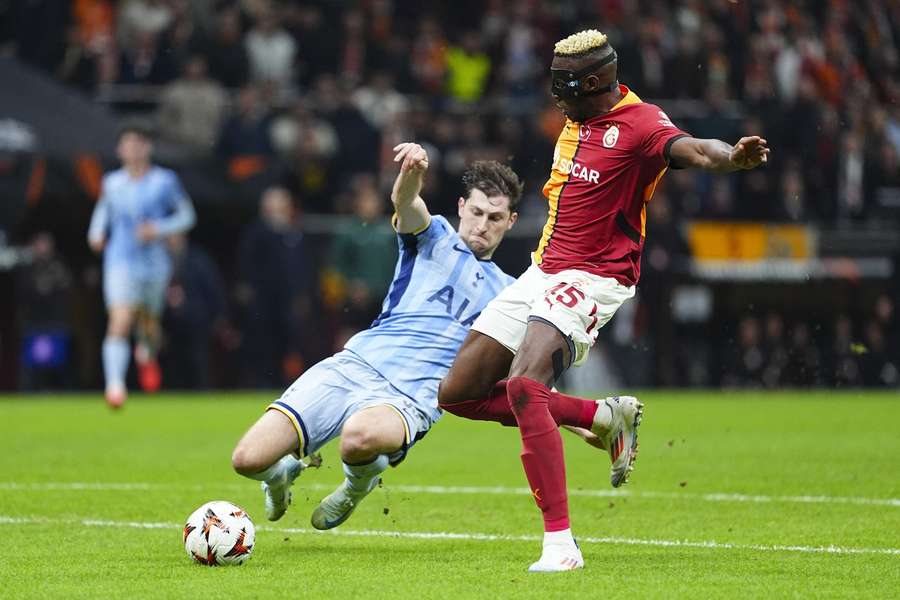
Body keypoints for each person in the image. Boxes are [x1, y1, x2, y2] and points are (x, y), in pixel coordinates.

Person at [437, 29, 770, 572]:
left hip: (595, 277)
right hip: (542, 271)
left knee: (524, 384)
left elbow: (691, 149)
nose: (553, 93)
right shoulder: (575, 120)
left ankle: (560, 546)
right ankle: (603, 416)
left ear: (593, 83)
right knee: (458, 394)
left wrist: (730, 157)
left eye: (561, 84)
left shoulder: (640, 124)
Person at [230, 143, 524, 529]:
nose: (483, 225)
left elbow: (526, 369)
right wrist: (412, 172)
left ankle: (355, 487)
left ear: (512, 221)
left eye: (495, 217)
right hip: (355, 363)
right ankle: (279, 475)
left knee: (357, 437)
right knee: (247, 460)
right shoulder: (434, 235)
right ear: (460, 207)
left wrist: (579, 419)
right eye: (476, 212)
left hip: (411, 397)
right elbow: (406, 202)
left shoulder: (511, 292)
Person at [87, 124, 196, 407]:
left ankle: (146, 353)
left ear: (147, 147)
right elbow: (103, 213)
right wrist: (96, 234)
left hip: (155, 264)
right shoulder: (112, 183)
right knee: (120, 320)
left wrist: (158, 229)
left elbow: (187, 216)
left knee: (148, 326)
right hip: (121, 262)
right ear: (120, 150)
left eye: (139, 143)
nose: (133, 149)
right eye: (128, 144)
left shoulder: (165, 181)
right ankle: (115, 386)